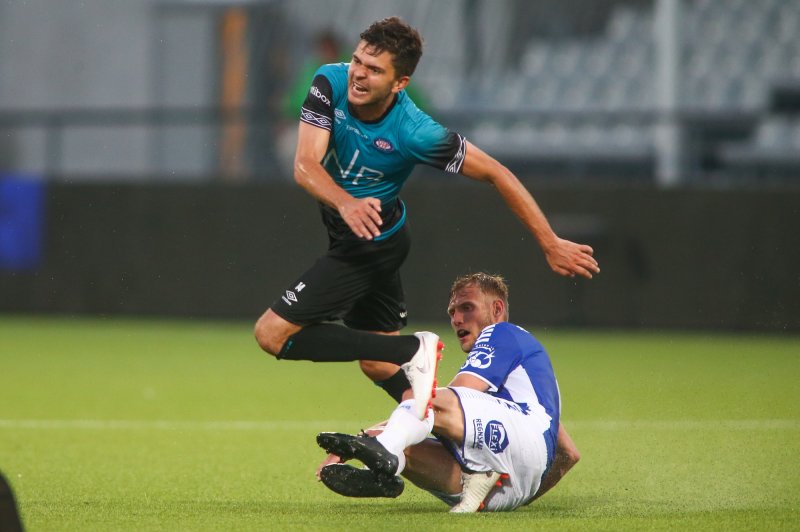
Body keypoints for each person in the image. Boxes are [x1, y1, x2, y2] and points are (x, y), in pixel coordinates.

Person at [253, 17, 599, 416]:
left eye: (375, 70)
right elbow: (304, 165)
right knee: (378, 365)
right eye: (358, 62)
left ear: (400, 83)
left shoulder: (416, 132)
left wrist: (549, 241)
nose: (359, 75)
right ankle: (444, 427)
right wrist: (346, 201)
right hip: (357, 228)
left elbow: (496, 173)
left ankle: (412, 348)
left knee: (271, 334)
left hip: (370, 243)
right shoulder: (329, 82)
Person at [316, 273, 581, 512]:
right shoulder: (524, 389)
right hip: (500, 488)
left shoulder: (502, 332)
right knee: (407, 441)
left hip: (519, 446)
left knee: (425, 405)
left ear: (497, 309)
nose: (456, 319)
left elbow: (442, 399)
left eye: (467, 308)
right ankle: (387, 467)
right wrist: (522, 495)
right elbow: (569, 454)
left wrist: (365, 438)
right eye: (453, 311)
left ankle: (382, 454)